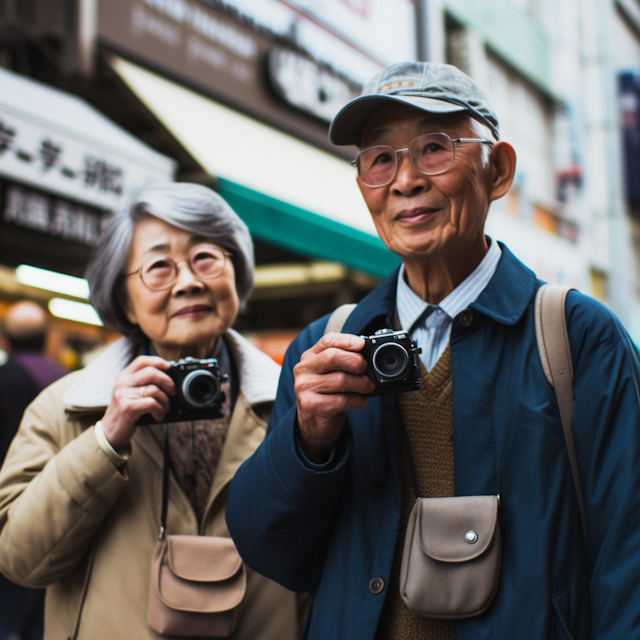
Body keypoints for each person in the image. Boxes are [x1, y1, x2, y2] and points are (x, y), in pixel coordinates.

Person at [226, 61, 640, 639]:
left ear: (498, 170)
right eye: (380, 159)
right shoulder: (326, 346)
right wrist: (309, 443)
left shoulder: (576, 336)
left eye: (435, 148)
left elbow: (629, 555)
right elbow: (271, 551)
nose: (405, 181)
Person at [0, 182, 304, 639]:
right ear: (124, 300)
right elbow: (21, 560)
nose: (189, 282)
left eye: (206, 257)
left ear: (235, 273)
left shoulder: (297, 404)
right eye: (159, 266)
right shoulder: (66, 408)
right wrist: (105, 438)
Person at [0, 301, 68, 640]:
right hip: (58, 504)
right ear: (46, 339)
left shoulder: (4, 378)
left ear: (6, 341)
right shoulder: (66, 383)